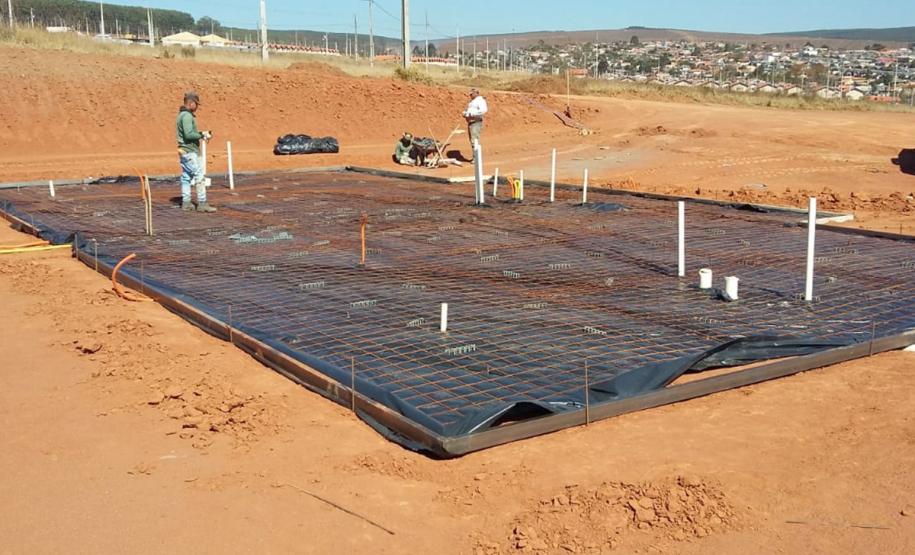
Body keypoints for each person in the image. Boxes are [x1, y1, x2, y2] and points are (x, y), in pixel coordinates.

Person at [176, 91, 216, 212]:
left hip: (184, 150)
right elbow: (188, 134)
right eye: (196, 104)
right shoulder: (187, 116)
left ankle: (186, 202)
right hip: (190, 151)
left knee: (186, 177)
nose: (197, 107)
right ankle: (202, 203)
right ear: (191, 103)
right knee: (199, 176)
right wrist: (201, 134)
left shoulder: (181, 115)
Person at [462, 88, 488, 160]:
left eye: (471, 94)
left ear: (476, 93)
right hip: (471, 122)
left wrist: (472, 114)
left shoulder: (480, 101)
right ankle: (475, 157)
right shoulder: (472, 102)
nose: (470, 95)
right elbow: (468, 110)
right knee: (472, 140)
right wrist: (465, 113)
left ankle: (476, 158)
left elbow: (483, 110)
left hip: (476, 122)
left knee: (474, 140)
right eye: (470, 94)